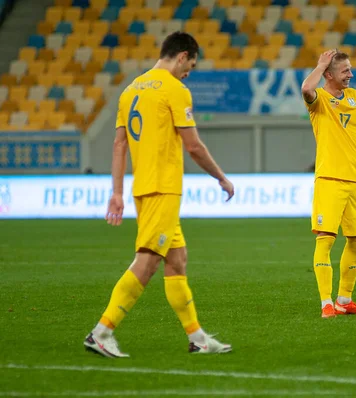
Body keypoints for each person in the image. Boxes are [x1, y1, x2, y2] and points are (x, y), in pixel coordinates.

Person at [83, 32, 235, 357]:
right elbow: (193, 145)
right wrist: (221, 177)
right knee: (149, 261)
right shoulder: (174, 90)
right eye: (190, 66)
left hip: (143, 187)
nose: (188, 73)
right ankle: (102, 331)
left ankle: (197, 338)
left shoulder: (130, 90)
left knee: (176, 261)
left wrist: (117, 193)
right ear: (181, 56)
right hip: (163, 187)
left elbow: (119, 145)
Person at [301, 49, 356, 319]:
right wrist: (320, 63)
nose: (351, 74)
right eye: (345, 70)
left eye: (350, 69)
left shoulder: (355, 97)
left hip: (355, 181)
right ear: (329, 74)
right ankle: (326, 302)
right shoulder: (319, 100)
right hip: (329, 180)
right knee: (325, 239)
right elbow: (305, 88)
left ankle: (344, 300)